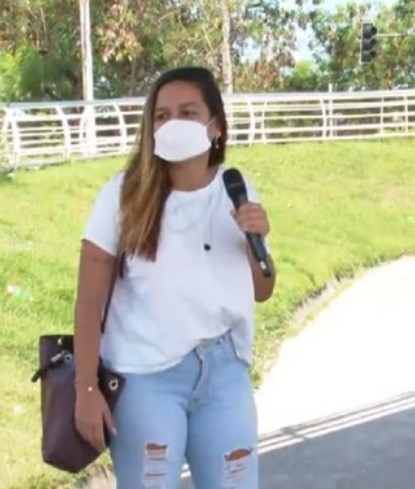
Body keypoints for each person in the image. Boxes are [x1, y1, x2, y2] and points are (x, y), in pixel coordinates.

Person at [72, 66, 276, 489]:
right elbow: (88, 303)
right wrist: (86, 390)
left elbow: (262, 290)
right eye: (161, 116)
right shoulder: (123, 195)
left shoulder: (236, 189)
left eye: (187, 112)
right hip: (146, 378)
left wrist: (256, 238)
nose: (172, 124)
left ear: (215, 127)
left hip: (223, 375)